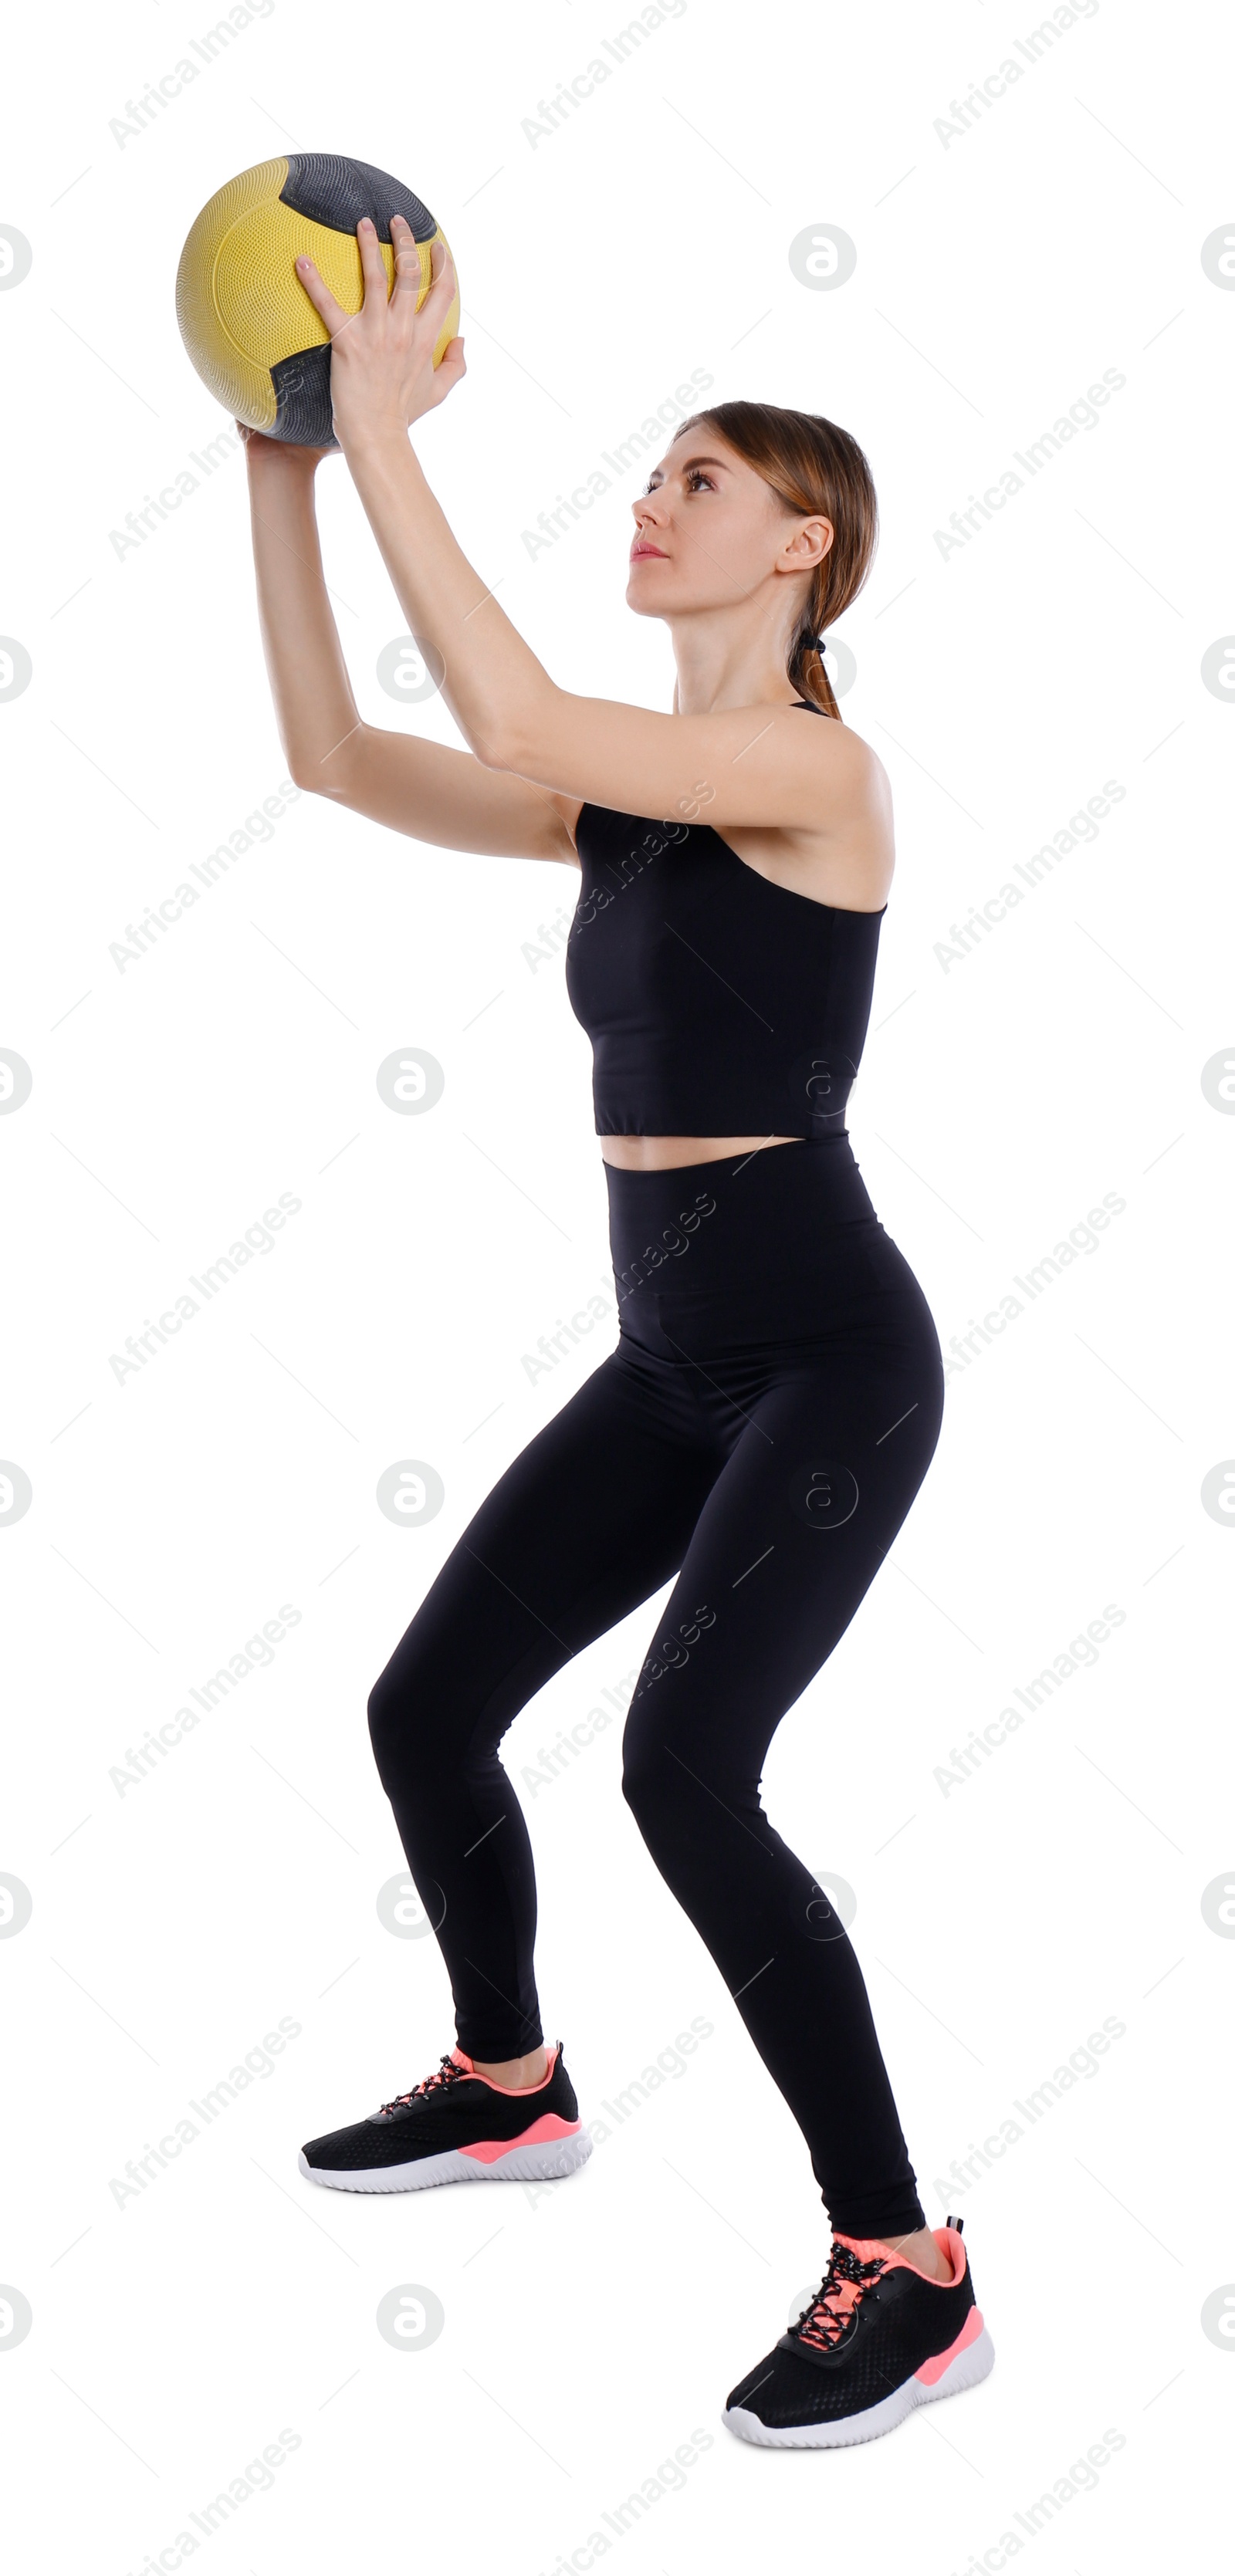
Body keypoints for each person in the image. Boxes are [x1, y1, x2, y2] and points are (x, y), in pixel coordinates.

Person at [240, 214, 994, 2449]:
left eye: (697, 480)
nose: (647, 506)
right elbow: (337, 753)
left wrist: (385, 432)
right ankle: (510, 2071)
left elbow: (501, 703)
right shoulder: (619, 806)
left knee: (686, 1772)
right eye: (650, 474)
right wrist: (288, 464)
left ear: (805, 538)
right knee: (427, 1705)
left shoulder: (815, 779)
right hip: (676, 1367)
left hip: (831, 1360)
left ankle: (908, 2259)